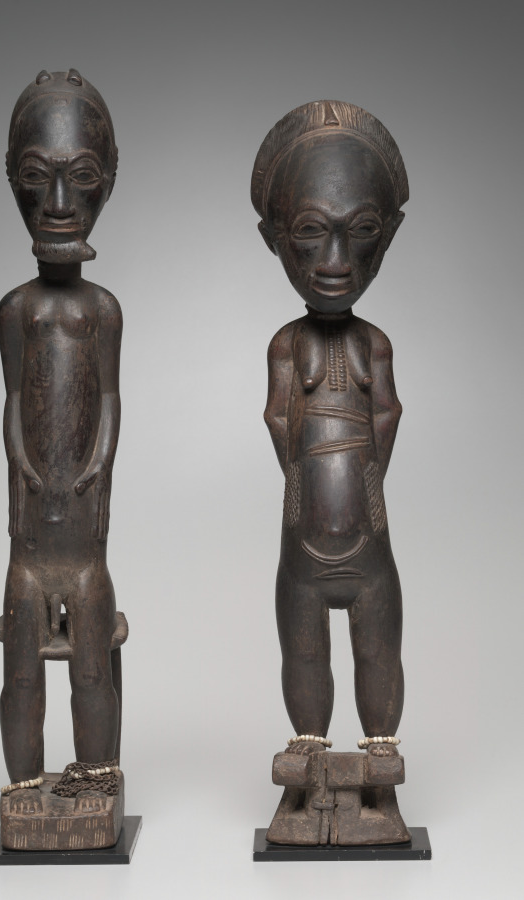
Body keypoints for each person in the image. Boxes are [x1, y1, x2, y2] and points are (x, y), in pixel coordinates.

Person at [252, 101, 408, 761]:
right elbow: (277, 416)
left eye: (361, 230)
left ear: (387, 236)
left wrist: (361, 475)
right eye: (312, 231)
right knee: (303, 649)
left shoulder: (374, 343)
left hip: (368, 538)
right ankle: (309, 744)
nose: (336, 261)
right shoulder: (286, 344)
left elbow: (387, 412)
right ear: (276, 237)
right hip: (303, 540)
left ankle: (380, 748)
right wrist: (307, 476)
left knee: (378, 647)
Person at [0, 70, 122, 811]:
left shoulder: (102, 309)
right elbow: (14, 399)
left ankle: (97, 779)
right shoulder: (15, 309)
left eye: (81, 177)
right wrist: (20, 461)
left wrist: (98, 465)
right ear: (12, 181)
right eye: (36, 176)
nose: (59, 202)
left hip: (83, 538)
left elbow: (108, 399)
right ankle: (23, 789)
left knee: (92, 667)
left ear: (107, 183)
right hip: (30, 538)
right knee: (19, 671)